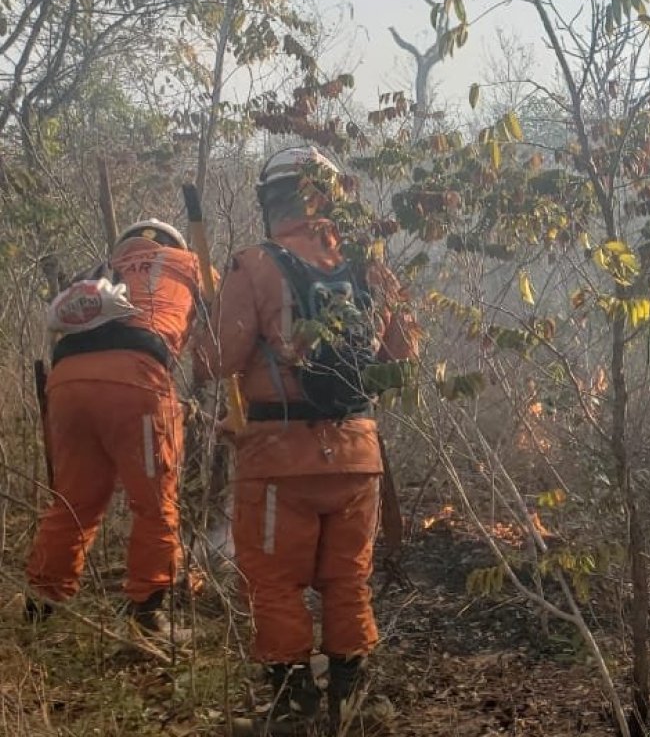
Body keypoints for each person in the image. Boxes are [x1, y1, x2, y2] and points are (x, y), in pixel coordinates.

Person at [196, 146, 418, 733]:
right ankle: (354, 698)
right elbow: (403, 354)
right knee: (348, 578)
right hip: (358, 453)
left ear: (271, 202)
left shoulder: (253, 265)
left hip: (278, 459)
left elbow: (214, 361)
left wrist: (207, 313)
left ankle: (293, 704)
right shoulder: (371, 268)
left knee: (274, 582)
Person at [25, 219, 202, 638]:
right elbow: (220, 341)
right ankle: (147, 615)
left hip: (66, 384)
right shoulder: (189, 265)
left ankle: (38, 611)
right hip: (137, 382)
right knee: (155, 503)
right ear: (173, 244)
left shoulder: (102, 273)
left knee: (74, 501)